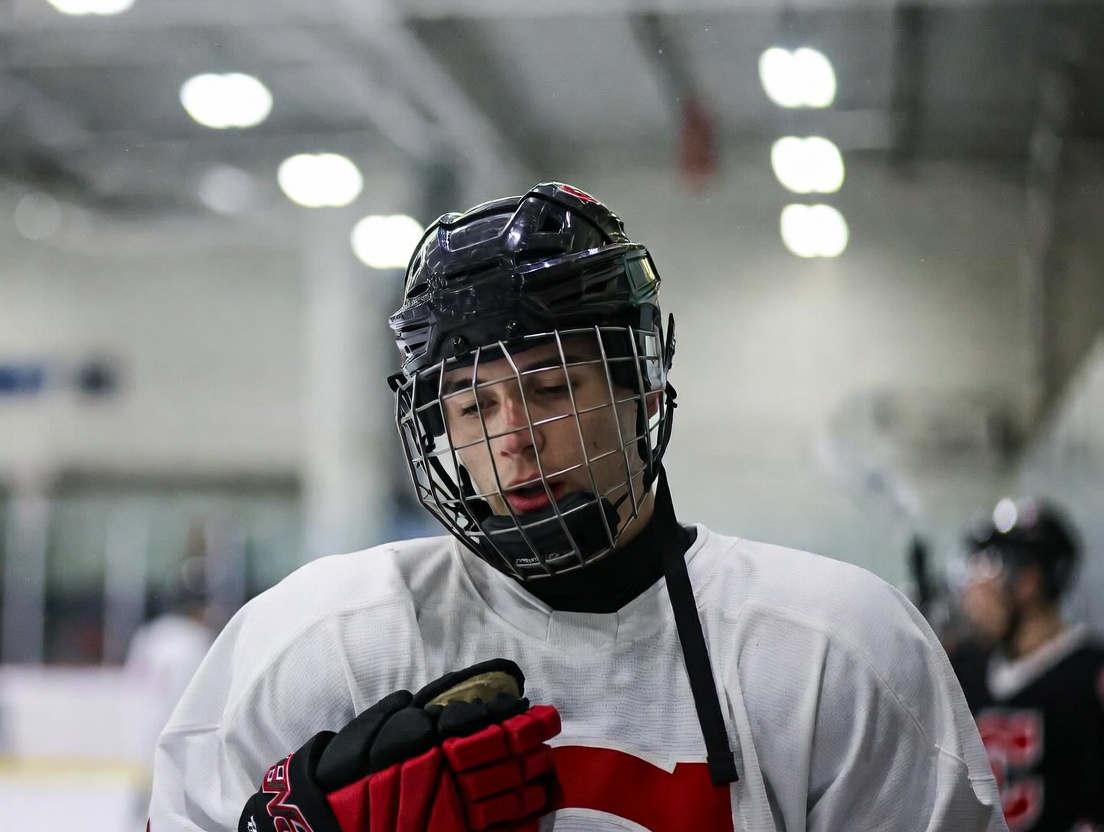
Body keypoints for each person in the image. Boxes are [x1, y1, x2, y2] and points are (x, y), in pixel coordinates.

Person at [147, 182, 1006, 831]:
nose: (513, 436)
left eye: (552, 386)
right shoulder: (325, 641)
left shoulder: (834, 650)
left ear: (645, 391)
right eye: (472, 405)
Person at [948, 497, 1104, 832]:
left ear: (1029, 581)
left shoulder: (1088, 675)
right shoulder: (969, 670)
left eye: (989, 567)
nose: (975, 587)